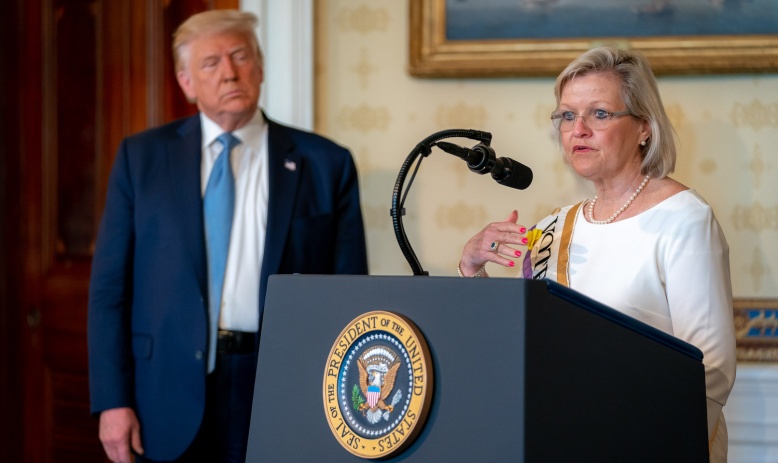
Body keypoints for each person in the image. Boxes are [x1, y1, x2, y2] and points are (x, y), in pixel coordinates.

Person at [88, 9, 368, 463]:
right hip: (165, 387)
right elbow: (108, 291)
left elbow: (348, 293)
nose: (230, 73)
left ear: (259, 67)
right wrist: (112, 401)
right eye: (211, 63)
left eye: (240, 56)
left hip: (283, 383)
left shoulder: (325, 163)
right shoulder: (141, 160)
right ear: (186, 82)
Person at [458, 46, 736, 462]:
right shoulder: (553, 228)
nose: (578, 129)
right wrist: (471, 267)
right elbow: (521, 347)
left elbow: (709, 371)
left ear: (644, 125)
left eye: (599, 114)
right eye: (567, 115)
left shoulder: (683, 219)